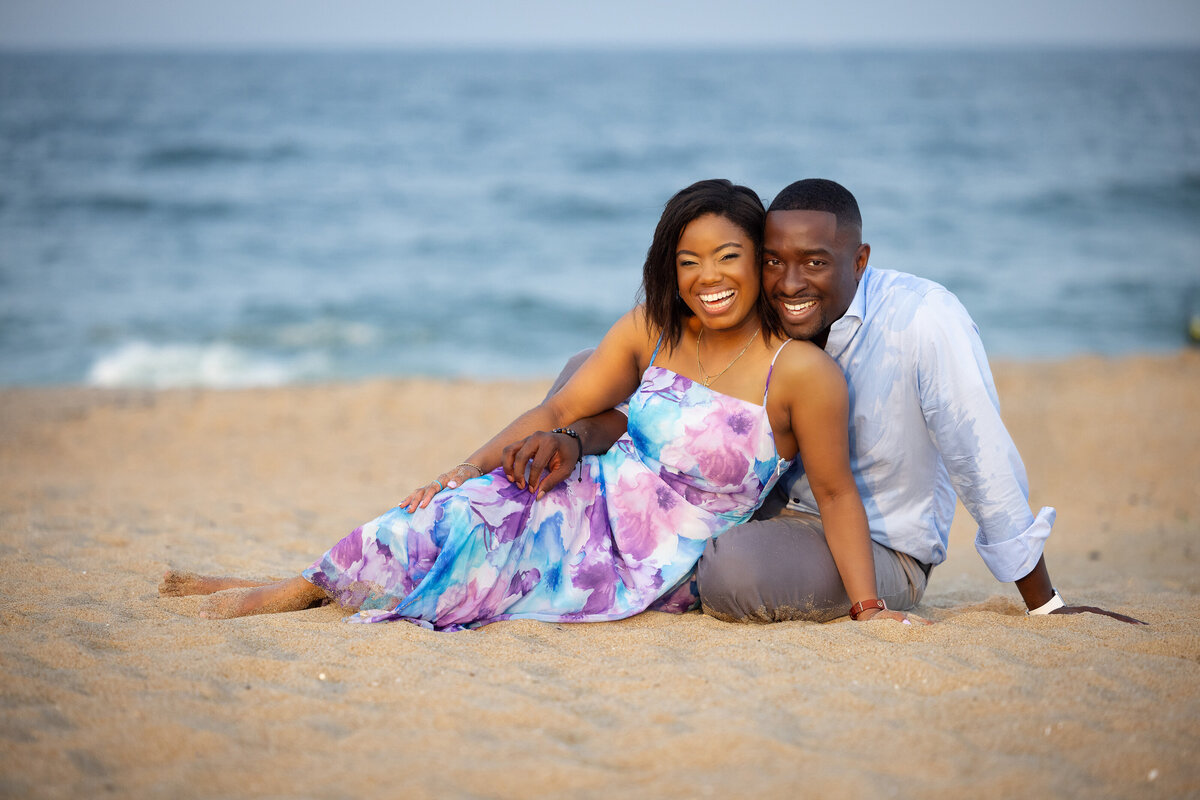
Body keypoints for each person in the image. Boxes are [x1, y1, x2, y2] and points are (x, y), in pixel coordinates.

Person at [159, 179, 914, 628]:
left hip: (660, 559)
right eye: (687, 261)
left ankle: (297, 588)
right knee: (479, 502)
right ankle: (305, 582)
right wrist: (461, 467)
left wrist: (868, 610)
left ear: (758, 261)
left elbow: (839, 494)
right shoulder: (652, 328)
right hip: (593, 494)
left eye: (728, 257)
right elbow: (555, 413)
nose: (707, 277)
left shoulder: (801, 374)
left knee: (484, 542)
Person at [512, 179, 1144, 625]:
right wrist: (568, 435)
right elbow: (677, 404)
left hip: (873, 546)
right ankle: (537, 510)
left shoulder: (924, 321)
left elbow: (981, 457)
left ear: (859, 260)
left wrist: (1046, 604)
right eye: (774, 262)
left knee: (734, 575)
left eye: (816, 263)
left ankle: (615, 554)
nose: (791, 283)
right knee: (583, 372)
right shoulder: (763, 312)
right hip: (748, 509)